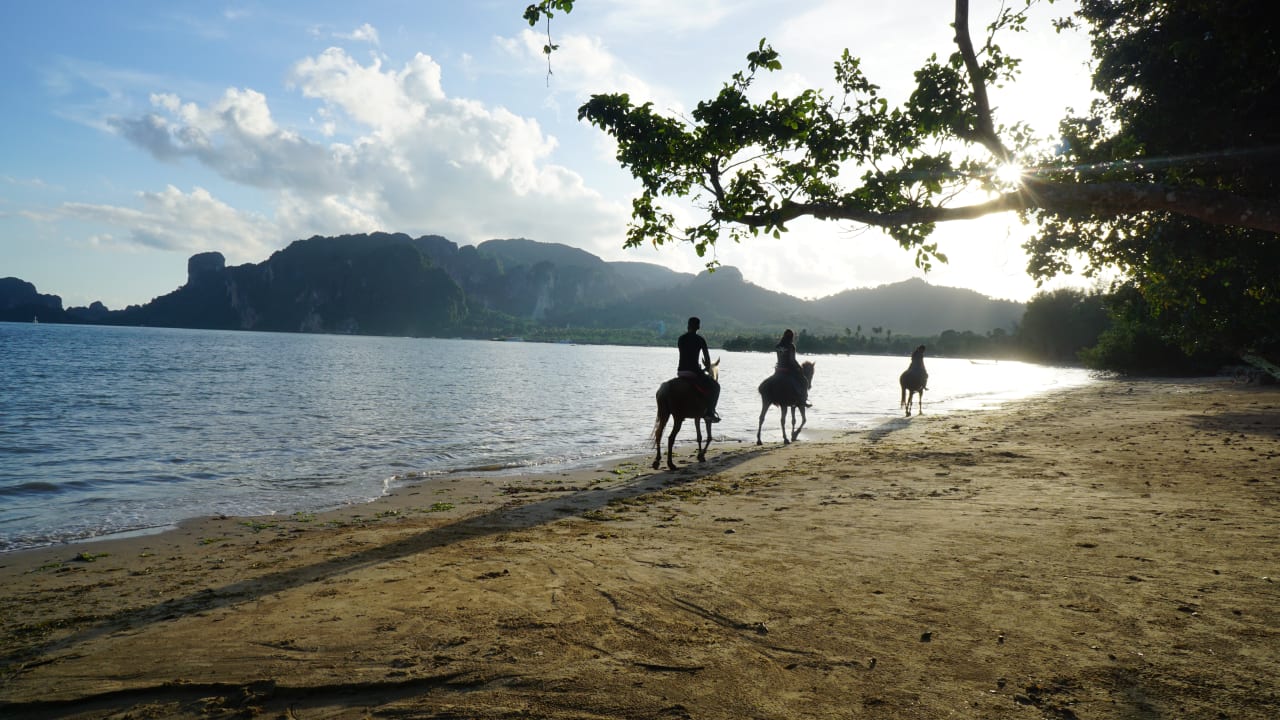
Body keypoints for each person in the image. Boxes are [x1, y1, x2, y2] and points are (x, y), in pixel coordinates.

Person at [677, 316, 721, 423]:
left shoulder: (681, 339)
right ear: (698, 327)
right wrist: (704, 368)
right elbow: (707, 361)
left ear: (688, 326)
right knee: (716, 387)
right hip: (693, 372)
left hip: (680, 372)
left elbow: (684, 355)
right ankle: (709, 412)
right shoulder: (700, 340)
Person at [774, 329, 811, 407]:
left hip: (778, 369)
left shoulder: (778, 346)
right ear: (791, 337)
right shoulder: (791, 346)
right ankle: (804, 400)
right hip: (788, 369)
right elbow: (792, 360)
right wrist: (799, 367)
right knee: (804, 381)